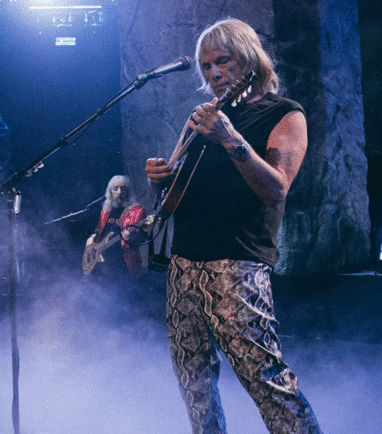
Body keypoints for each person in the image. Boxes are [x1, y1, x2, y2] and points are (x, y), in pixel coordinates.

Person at [144, 18, 322, 434]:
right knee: (194, 382)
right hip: (184, 260)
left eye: (222, 61)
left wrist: (231, 140)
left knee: (265, 379)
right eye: (206, 67)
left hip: (236, 263)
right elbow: (180, 187)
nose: (213, 74)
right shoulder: (204, 117)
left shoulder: (284, 113)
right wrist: (160, 179)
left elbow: (276, 189)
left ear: (248, 59)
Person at [84, 175, 146, 277]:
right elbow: (99, 230)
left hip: (125, 265)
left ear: (128, 192)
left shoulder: (137, 211)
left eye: (123, 189)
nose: (119, 192)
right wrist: (91, 238)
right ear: (110, 192)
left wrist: (131, 239)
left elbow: (143, 236)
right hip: (103, 265)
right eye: (115, 189)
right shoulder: (106, 211)